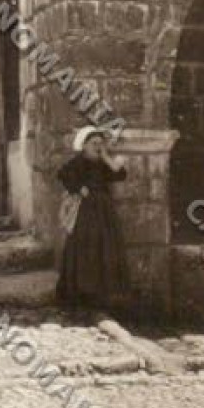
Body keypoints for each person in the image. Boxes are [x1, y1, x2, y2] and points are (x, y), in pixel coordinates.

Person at [55, 127, 131, 311]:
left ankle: (100, 293)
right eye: (93, 144)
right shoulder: (78, 162)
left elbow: (120, 175)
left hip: (103, 209)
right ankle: (80, 291)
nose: (97, 147)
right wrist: (79, 187)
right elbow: (62, 174)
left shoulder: (101, 163)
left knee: (104, 246)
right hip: (86, 210)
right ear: (84, 146)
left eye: (100, 144)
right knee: (85, 245)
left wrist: (106, 157)